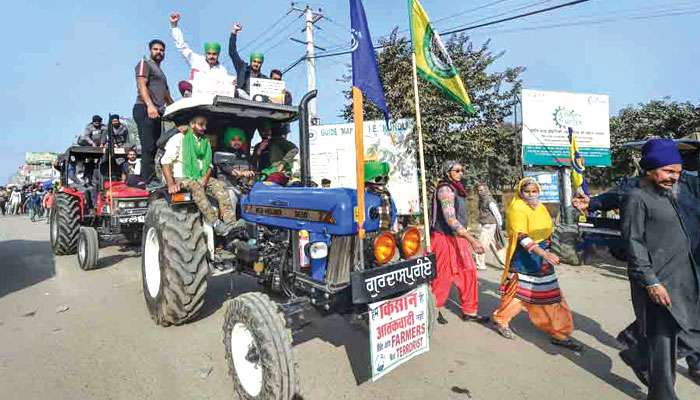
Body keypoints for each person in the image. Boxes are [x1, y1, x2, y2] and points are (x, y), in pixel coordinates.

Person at [620, 138, 700, 399]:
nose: (674, 177)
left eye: (677, 172)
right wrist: (651, 282)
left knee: (690, 332)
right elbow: (634, 243)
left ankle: (637, 353)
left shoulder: (671, 194)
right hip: (658, 283)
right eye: (668, 171)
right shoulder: (636, 197)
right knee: (663, 344)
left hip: (684, 279)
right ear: (650, 169)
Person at [491, 177, 582, 351]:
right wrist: (544, 253)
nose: (532, 195)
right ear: (520, 192)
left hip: (543, 257)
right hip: (525, 257)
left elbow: (549, 229)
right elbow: (522, 237)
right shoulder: (517, 208)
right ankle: (501, 320)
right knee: (518, 294)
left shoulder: (541, 207)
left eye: (535, 191)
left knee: (551, 293)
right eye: (527, 192)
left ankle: (560, 332)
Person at [430, 161, 488, 324]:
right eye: (456, 170)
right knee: (442, 276)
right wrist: (472, 239)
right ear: (448, 172)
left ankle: (470, 311)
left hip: (458, 237)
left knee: (468, 272)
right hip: (444, 237)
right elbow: (450, 219)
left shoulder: (458, 189)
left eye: (462, 170)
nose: (460, 173)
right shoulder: (445, 189)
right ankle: (433, 309)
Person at [160, 115, 238, 236]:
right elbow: (165, 162)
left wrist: (205, 179)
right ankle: (216, 223)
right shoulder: (178, 139)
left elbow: (209, 166)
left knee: (220, 186)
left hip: (201, 176)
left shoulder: (205, 141)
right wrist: (171, 184)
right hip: (182, 177)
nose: (204, 128)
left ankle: (231, 224)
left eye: (205, 125)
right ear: (192, 125)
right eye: (201, 124)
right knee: (195, 186)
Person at [133, 38, 174, 184]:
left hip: (158, 112)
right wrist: (150, 105)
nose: (159, 52)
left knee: (156, 147)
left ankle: (151, 178)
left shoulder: (161, 73)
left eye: (162, 50)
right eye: (156, 49)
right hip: (145, 108)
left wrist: (178, 112)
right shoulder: (145, 63)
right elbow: (142, 85)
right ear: (150, 50)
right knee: (148, 146)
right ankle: (148, 180)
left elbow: (167, 96)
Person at [169, 12, 232, 93]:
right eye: (209, 54)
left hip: (213, 97)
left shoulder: (222, 70)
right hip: (196, 93)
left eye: (214, 54)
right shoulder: (197, 60)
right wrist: (174, 26)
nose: (211, 56)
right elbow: (182, 47)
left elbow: (227, 83)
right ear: (205, 54)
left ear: (218, 55)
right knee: (183, 84)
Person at [228, 22, 267, 95]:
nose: (256, 64)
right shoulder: (242, 69)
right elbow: (232, 52)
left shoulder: (264, 79)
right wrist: (234, 32)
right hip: (241, 100)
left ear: (261, 63)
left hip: (256, 103)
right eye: (254, 61)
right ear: (251, 61)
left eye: (259, 62)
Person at [474, 182, 505, 270]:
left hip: (489, 225)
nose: (480, 192)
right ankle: (505, 263)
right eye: (479, 190)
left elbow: (496, 213)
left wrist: (500, 224)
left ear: (486, 190)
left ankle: (480, 264)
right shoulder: (481, 200)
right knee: (495, 245)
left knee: (481, 245)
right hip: (487, 224)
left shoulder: (489, 200)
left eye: (482, 190)